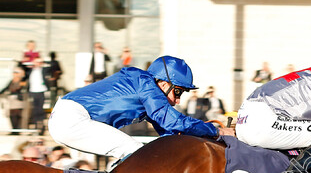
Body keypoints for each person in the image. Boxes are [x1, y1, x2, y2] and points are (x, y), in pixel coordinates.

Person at [48, 55, 228, 160]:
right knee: (138, 155)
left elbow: (169, 134)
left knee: (139, 155)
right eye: (178, 92)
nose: (178, 101)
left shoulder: (146, 91)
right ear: (164, 84)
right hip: (71, 118)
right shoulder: (145, 84)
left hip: (68, 118)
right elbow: (173, 122)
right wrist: (217, 131)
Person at [0, 67, 27, 133]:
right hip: (11, 100)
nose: (14, 74)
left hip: (18, 100)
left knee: (17, 115)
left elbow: (21, 89)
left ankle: (17, 130)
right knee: (12, 115)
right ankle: (14, 129)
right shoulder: (12, 81)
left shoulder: (22, 81)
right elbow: (6, 88)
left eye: (16, 73)